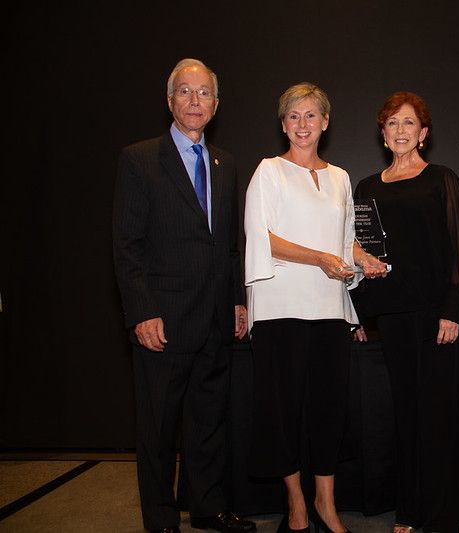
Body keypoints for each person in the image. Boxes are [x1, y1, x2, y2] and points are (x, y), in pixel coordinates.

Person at [112, 58, 256, 533]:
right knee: (157, 427)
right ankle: (160, 518)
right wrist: (142, 311)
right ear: (169, 100)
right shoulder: (139, 159)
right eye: (185, 91)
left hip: (215, 318)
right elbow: (127, 245)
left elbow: (229, 245)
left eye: (204, 93)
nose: (195, 101)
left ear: (216, 104)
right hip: (164, 320)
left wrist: (237, 301)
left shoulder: (225, 164)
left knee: (208, 420)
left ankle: (207, 507)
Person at [244, 82, 386, 533]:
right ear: (283, 124)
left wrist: (362, 259)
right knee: (283, 411)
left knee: (329, 409)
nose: (302, 124)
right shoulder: (268, 171)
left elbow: (345, 242)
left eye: (310, 115)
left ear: (325, 121)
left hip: (329, 309)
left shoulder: (341, 177)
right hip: (279, 308)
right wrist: (319, 258)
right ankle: (296, 504)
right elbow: (262, 238)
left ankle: (326, 502)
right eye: (293, 116)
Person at [351, 91, 459, 533]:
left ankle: (442, 514)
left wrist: (452, 311)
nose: (400, 130)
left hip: (436, 316)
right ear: (383, 134)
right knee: (405, 413)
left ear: (423, 133)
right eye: (392, 123)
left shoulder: (442, 180)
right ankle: (409, 509)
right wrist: (361, 314)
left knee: (440, 415)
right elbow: (360, 253)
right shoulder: (366, 188)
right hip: (392, 318)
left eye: (408, 123)